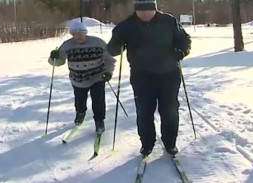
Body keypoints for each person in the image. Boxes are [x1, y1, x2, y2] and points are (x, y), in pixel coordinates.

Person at [107, 0, 191, 156]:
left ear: (155, 8)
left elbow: (184, 40)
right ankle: (147, 144)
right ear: (136, 10)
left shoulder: (169, 21)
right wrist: (116, 40)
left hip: (169, 74)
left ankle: (170, 142)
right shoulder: (127, 25)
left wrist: (182, 51)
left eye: (149, 10)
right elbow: (112, 50)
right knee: (144, 111)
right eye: (141, 10)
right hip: (142, 76)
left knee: (170, 110)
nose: (145, 13)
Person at [48, 21, 115, 135]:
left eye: (80, 33)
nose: (78, 36)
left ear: (85, 32)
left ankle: (99, 121)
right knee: (80, 100)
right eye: (74, 34)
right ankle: (80, 113)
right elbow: (58, 62)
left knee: (98, 100)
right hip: (77, 79)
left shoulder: (98, 42)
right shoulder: (67, 45)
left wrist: (108, 72)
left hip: (97, 77)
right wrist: (53, 57)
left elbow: (109, 59)